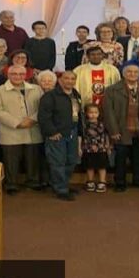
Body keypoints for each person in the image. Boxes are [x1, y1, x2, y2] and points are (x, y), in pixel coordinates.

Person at [0, 65, 43, 194]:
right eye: (14, 74)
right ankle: (11, 183)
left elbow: (43, 107)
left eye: (21, 74)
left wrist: (32, 119)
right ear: (8, 75)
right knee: (11, 160)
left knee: (33, 158)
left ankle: (33, 181)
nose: (18, 76)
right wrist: (16, 123)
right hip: (11, 131)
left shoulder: (36, 89)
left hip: (32, 128)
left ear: (26, 75)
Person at [103, 64, 139, 192]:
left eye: (135, 72)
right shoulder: (111, 90)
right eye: (129, 72)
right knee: (121, 157)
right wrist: (113, 131)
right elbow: (108, 112)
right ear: (123, 74)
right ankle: (120, 182)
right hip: (121, 129)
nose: (132, 74)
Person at [38, 71, 83, 201]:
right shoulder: (50, 96)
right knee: (57, 162)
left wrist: (79, 133)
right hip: (57, 134)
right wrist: (51, 132)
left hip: (73, 133)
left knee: (71, 161)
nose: (69, 81)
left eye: (72, 79)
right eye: (66, 78)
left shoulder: (76, 95)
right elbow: (43, 116)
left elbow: (78, 115)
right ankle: (61, 189)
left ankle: (63, 184)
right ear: (60, 80)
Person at [80, 104, 112, 193]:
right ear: (86, 113)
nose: (93, 114)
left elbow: (106, 136)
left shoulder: (102, 124)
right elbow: (81, 136)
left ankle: (102, 182)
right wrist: (80, 147)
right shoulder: (84, 125)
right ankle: (90, 181)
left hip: (101, 148)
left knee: (102, 166)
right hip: (88, 148)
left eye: (95, 112)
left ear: (98, 113)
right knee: (89, 166)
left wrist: (108, 146)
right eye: (91, 112)